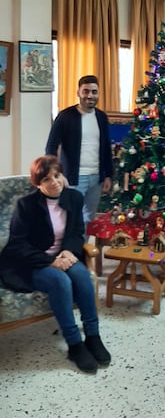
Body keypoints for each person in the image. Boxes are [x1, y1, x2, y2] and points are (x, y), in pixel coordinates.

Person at [0, 155, 110, 373]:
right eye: (47, 179)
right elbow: (17, 245)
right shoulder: (26, 205)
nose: (54, 182)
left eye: (57, 176)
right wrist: (51, 261)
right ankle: (74, 345)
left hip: (65, 255)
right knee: (60, 281)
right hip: (33, 263)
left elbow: (77, 231)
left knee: (81, 276)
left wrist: (68, 250)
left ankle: (93, 336)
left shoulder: (74, 198)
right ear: (37, 183)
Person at [45, 75, 113, 225]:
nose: (90, 95)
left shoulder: (101, 117)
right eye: (86, 91)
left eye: (94, 92)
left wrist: (108, 175)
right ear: (78, 93)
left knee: (88, 219)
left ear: (98, 93)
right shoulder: (65, 117)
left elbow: (106, 148)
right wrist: (55, 174)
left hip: (96, 179)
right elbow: (51, 146)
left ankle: (83, 249)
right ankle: (69, 249)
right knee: (70, 219)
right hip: (73, 178)